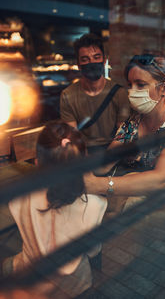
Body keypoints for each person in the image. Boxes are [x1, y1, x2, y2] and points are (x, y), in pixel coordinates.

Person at [84, 52, 165, 228]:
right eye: (130, 85)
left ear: (164, 89)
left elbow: (161, 179)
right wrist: (78, 168)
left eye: (141, 85)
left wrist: (98, 184)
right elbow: (107, 161)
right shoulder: (132, 122)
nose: (132, 92)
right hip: (135, 203)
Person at [2, 121, 107, 298]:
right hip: (74, 287)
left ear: (37, 162)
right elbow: (93, 251)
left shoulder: (22, 195)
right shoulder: (95, 205)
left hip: (29, 278)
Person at [60, 33, 130, 154]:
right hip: (83, 152)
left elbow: (122, 135)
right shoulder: (68, 95)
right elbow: (73, 136)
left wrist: (107, 162)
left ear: (104, 60)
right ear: (78, 65)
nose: (91, 62)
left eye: (96, 57)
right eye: (85, 59)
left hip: (113, 151)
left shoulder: (119, 93)